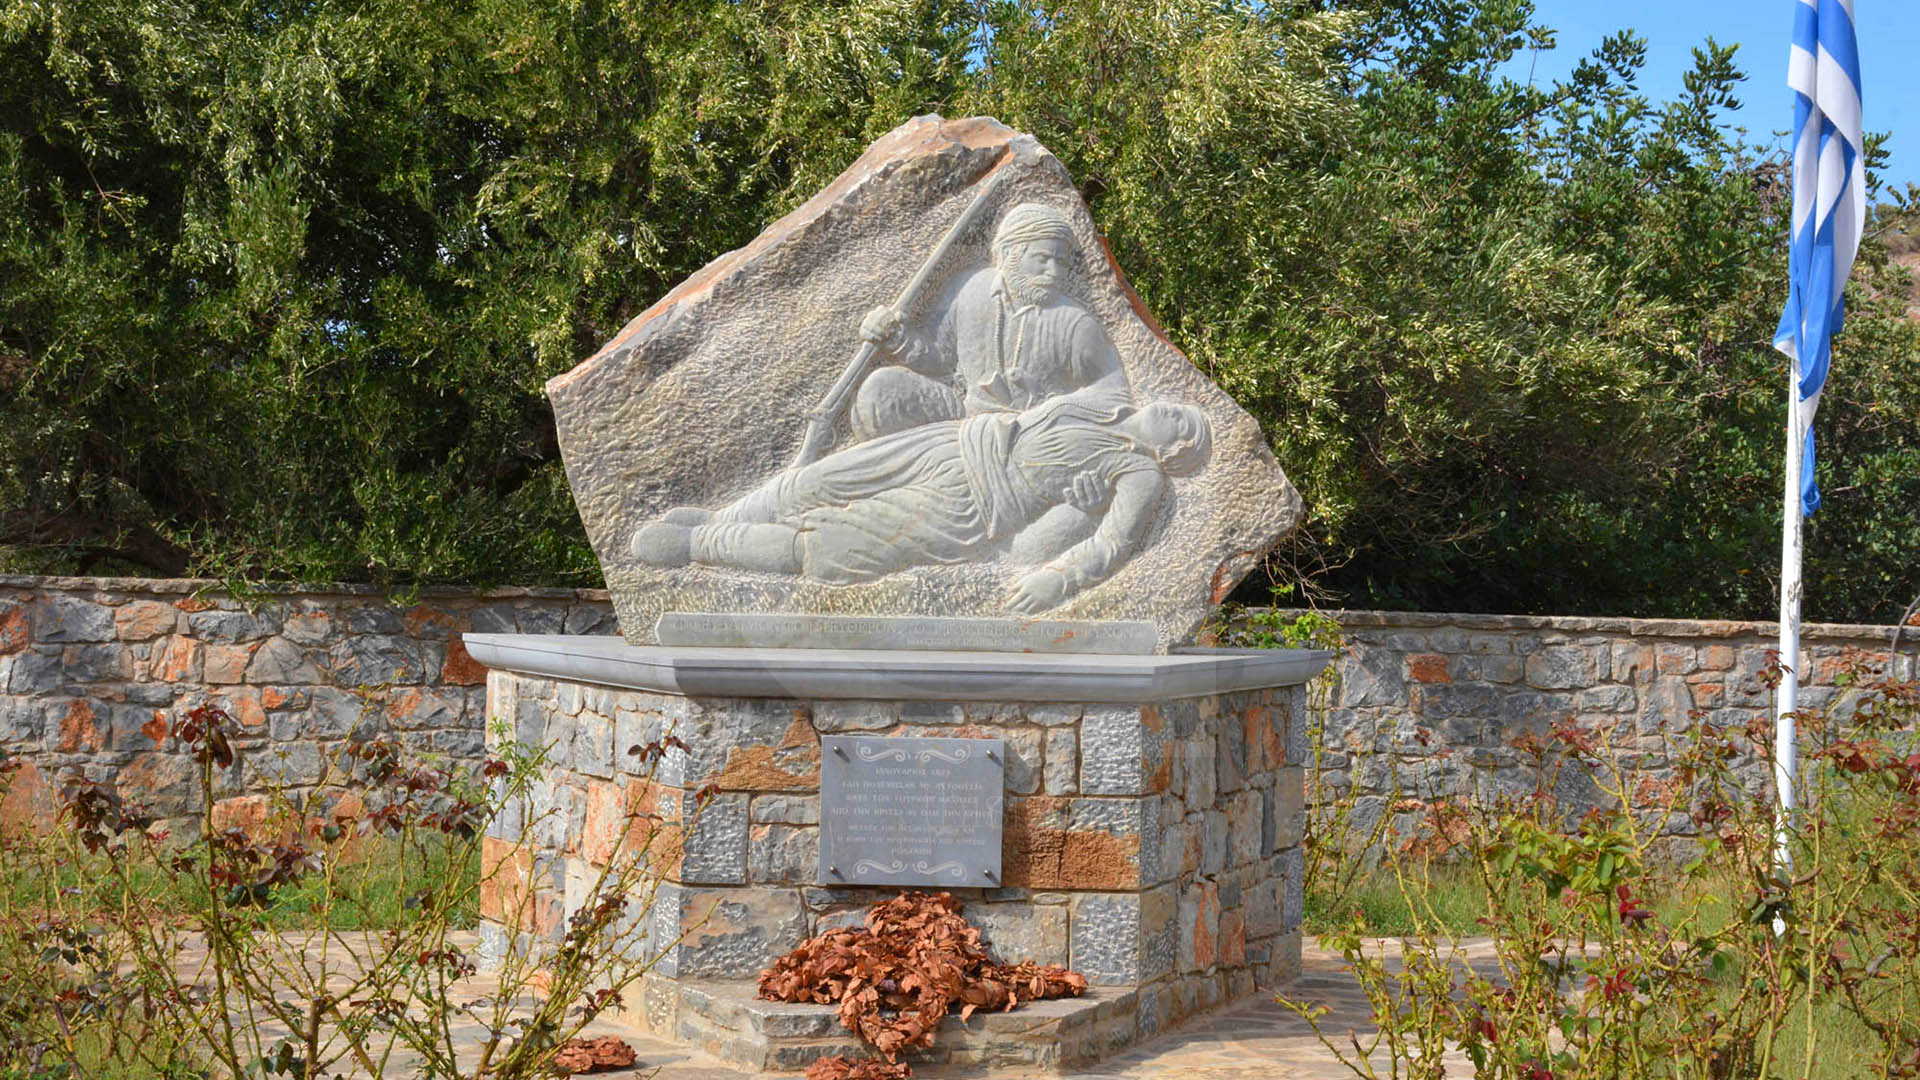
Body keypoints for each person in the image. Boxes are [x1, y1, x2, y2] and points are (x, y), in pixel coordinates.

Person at [631, 400, 1212, 613]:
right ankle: (725, 518)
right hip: (955, 443)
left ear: (1176, 450)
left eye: (1184, 422)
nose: (1174, 411)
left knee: (834, 548)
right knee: (816, 480)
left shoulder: (1141, 474)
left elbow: (1113, 544)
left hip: (970, 505)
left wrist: (1056, 581)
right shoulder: (1108, 404)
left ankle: (698, 544)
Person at [848, 202, 1131, 441]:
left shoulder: (1075, 323)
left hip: (1034, 435)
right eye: (1042, 259)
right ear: (1008, 254)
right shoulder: (969, 288)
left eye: (1062, 263)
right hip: (964, 418)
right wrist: (896, 339)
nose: (1054, 272)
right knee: (880, 389)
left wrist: (1057, 409)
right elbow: (941, 359)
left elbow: (1114, 393)